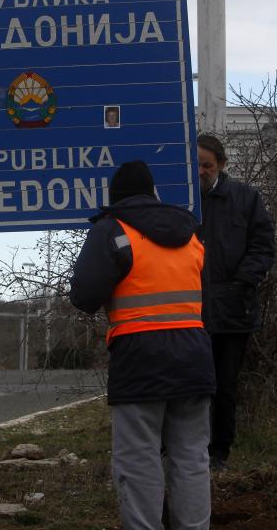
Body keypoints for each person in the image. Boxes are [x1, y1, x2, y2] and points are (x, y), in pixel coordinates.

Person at [71, 160, 215, 530]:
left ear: (115, 198)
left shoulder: (112, 230)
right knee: (192, 457)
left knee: (139, 460)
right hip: (194, 356)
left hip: (140, 358)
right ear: (154, 193)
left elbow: (84, 295)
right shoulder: (191, 232)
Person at [197, 134, 275, 471]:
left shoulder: (245, 198)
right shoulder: (180, 201)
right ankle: (186, 448)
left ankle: (219, 451)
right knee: (190, 385)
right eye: (195, 164)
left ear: (222, 165)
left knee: (225, 384)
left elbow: (263, 245)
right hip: (189, 309)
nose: (200, 171)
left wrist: (243, 282)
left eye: (207, 165)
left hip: (233, 309)